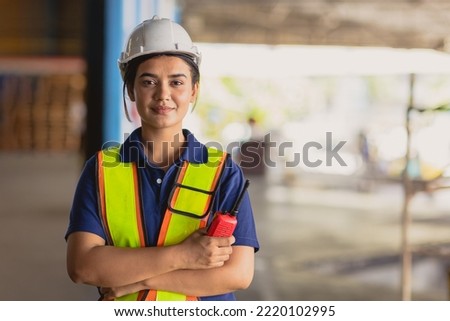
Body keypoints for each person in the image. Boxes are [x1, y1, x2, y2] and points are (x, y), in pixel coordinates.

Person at [65, 16, 259, 301]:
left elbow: (237, 275)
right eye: (148, 81)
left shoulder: (223, 172)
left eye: (177, 82)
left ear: (194, 90)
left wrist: (133, 280)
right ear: (131, 90)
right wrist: (183, 255)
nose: (163, 95)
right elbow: (82, 266)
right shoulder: (101, 170)